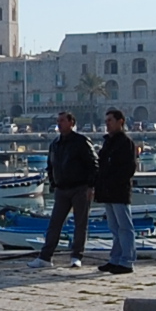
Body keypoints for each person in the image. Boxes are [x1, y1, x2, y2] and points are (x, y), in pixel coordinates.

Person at [30, 112, 97, 270]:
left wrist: (90, 186)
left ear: (71, 122)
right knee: (54, 224)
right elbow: (50, 165)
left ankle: (76, 256)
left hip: (80, 188)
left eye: (62, 121)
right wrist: (53, 183)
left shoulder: (82, 141)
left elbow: (94, 164)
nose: (59, 124)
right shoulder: (55, 143)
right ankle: (45, 257)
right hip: (62, 189)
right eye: (57, 121)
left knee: (80, 224)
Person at [95, 108, 138, 275]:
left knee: (125, 227)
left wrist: (114, 181)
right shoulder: (108, 142)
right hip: (107, 191)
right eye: (106, 122)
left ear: (120, 121)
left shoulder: (126, 142)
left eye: (110, 121)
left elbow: (128, 168)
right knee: (114, 227)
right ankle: (116, 259)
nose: (107, 125)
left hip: (119, 190)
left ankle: (127, 261)